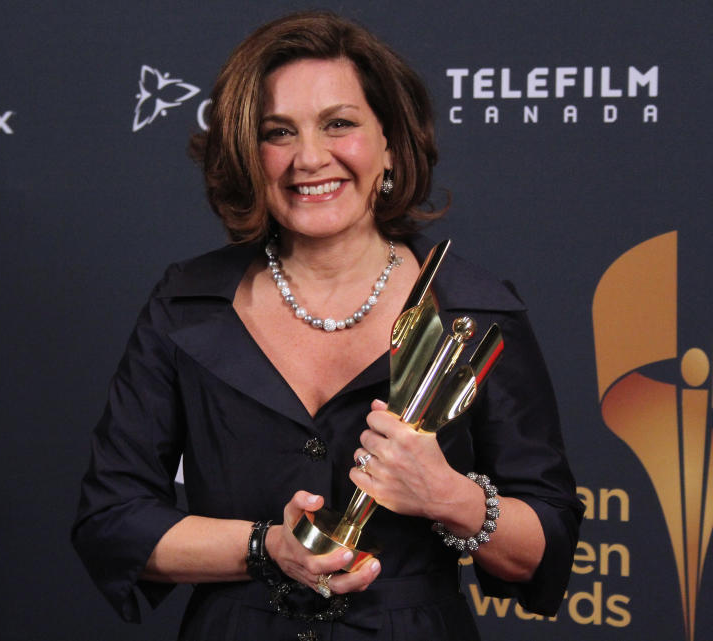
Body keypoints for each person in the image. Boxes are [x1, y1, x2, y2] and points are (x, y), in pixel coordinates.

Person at [73, 10, 582, 640]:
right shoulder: (187, 305)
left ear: (390, 141)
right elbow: (113, 520)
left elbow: (548, 541)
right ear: (246, 152)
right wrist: (267, 548)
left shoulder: (474, 312)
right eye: (278, 132)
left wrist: (447, 496)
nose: (309, 158)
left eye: (338, 124)